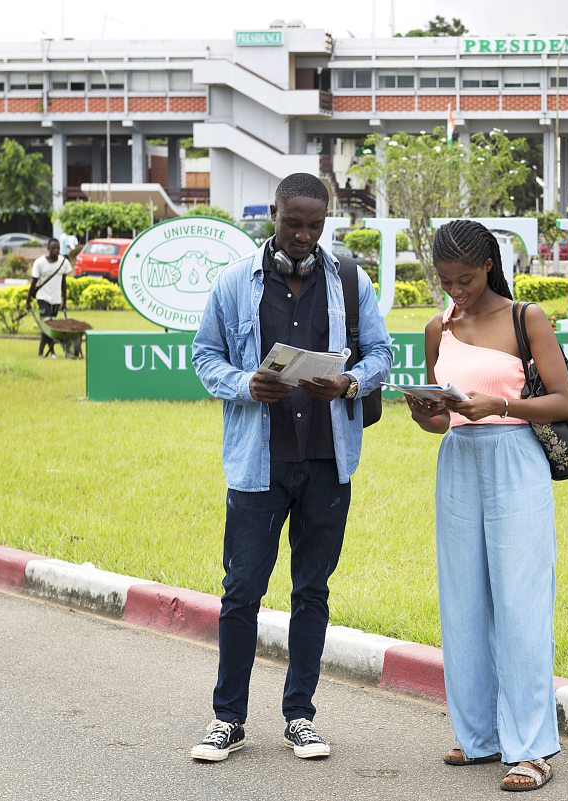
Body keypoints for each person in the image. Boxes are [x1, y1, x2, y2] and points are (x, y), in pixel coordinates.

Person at [190, 172, 392, 763]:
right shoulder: (233, 283)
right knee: (241, 590)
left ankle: (300, 715)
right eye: (292, 221)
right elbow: (205, 356)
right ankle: (226, 719)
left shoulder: (351, 282)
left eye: (314, 224)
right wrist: (245, 384)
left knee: (312, 590)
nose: (303, 235)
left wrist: (351, 381)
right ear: (272, 214)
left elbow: (381, 352)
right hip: (258, 463)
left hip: (328, 461)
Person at [406, 219, 568, 793]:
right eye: (446, 280)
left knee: (521, 602)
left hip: (515, 459)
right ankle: (478, 736)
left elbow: (561, 401)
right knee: (462, 600)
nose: (456, 291)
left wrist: (499, 404)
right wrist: (426, 413)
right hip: (458, 461)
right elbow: (439, 419)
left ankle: (532, 748)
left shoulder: (527, 318)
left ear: (489, 267)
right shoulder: (437, 328)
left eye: (467, 280)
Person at [25, 237, 73, 357]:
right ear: (48, 249)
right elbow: (33, 283)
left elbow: (64, 283)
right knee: (46, 325)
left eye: (57, 248)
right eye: (53, 248)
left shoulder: (63, 263)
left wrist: (64, 301)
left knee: (51, 326)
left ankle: (46, 351)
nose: (56, 250)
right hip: (43, 298)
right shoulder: (40, 263)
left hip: (56, 299)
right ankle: (45, 352)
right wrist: (28, 300)